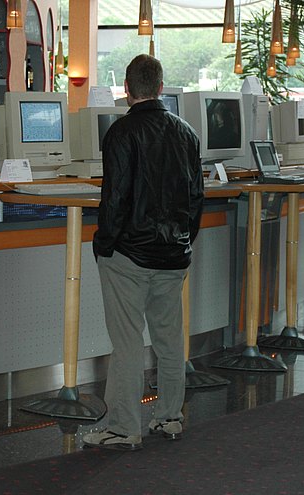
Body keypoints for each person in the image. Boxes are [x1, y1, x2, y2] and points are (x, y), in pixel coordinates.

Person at [83, 54, 204, 451]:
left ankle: (122, 426)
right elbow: (196, 198)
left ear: (127, 90)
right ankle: (169, 417)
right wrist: (185, 240)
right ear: (161, 86)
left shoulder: (121, 132)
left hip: (129, 256)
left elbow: (114, 199)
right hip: (173, 254)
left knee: (128, 343)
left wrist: (104, 243)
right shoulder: (186, 133)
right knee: (170, 341)